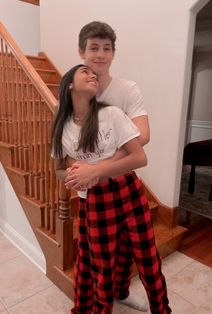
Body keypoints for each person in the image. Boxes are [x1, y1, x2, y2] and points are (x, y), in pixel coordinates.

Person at [52, 64, 171, 314]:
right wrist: (75, 176)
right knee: (101, 267)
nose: (92, 74)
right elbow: (58, 169)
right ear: (70, 85)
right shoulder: (62, 127)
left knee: (148, 260)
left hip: (128, 190)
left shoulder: (113, 114)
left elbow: (140, 158)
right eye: (85, 71)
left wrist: (94, 171)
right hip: (95, 200)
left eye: (93, 73)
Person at [66, 21, 150, 311]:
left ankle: (122, 292)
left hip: (123, 184)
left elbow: (143, 135)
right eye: (93, 48)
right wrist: (81, 173)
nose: (99, 55)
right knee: (93, 256)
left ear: (113, 53)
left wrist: (98, 169)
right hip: (90, 195)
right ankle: (93, 301)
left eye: (106, 49)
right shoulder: (77, 88)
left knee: (127, 248)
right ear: (81, 51)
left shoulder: (126, 89)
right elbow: (68, 143)